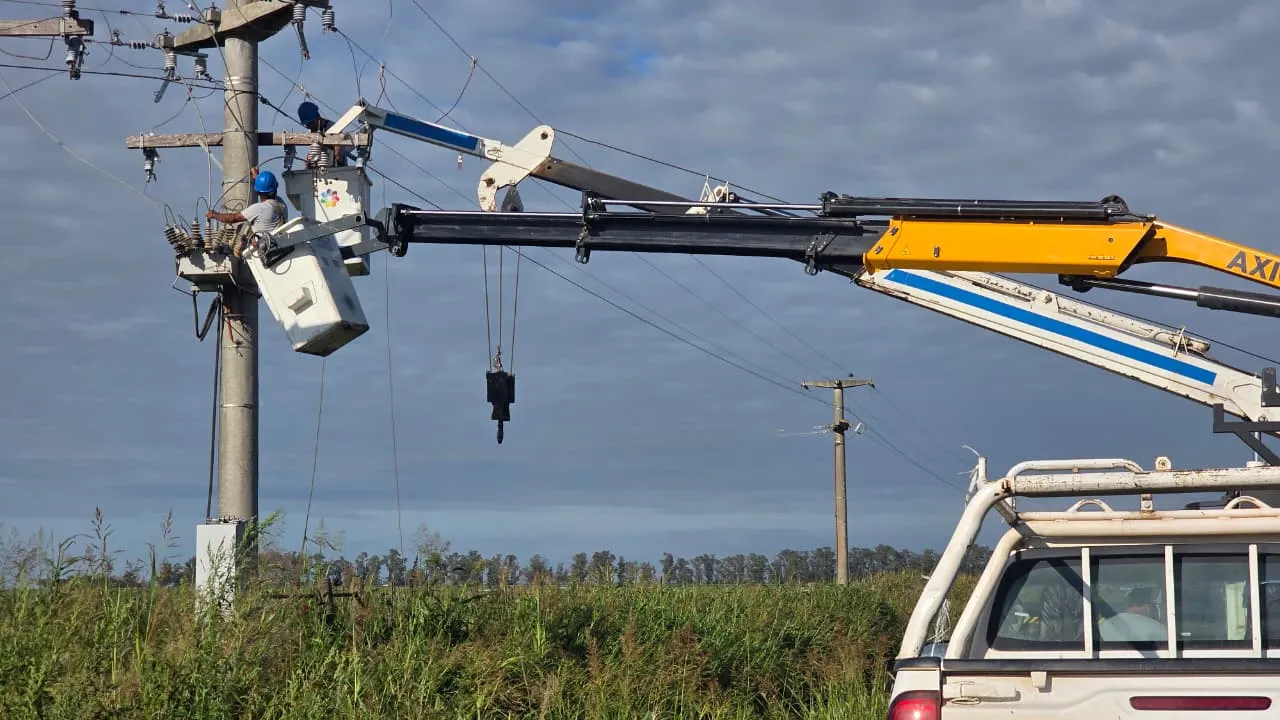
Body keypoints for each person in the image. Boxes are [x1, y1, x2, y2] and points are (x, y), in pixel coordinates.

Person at [206, 168, 288, 237]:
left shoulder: (258, 209)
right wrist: (257, 178)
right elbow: (267, 190)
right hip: (277, 244)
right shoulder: (282, 205)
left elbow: (233, 218)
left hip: (263, 249)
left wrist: (214, 215)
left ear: (258, 192)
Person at [297, 100, 353, 167]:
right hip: (318, 169)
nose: (309, 127)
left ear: (317, 117)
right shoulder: (313, 131)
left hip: (335, 169)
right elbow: (313, 151)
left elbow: (338, 154)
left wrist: (327, 148)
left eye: (310, 123)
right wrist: (309, 160)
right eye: (307, 125)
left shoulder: (333, 128)